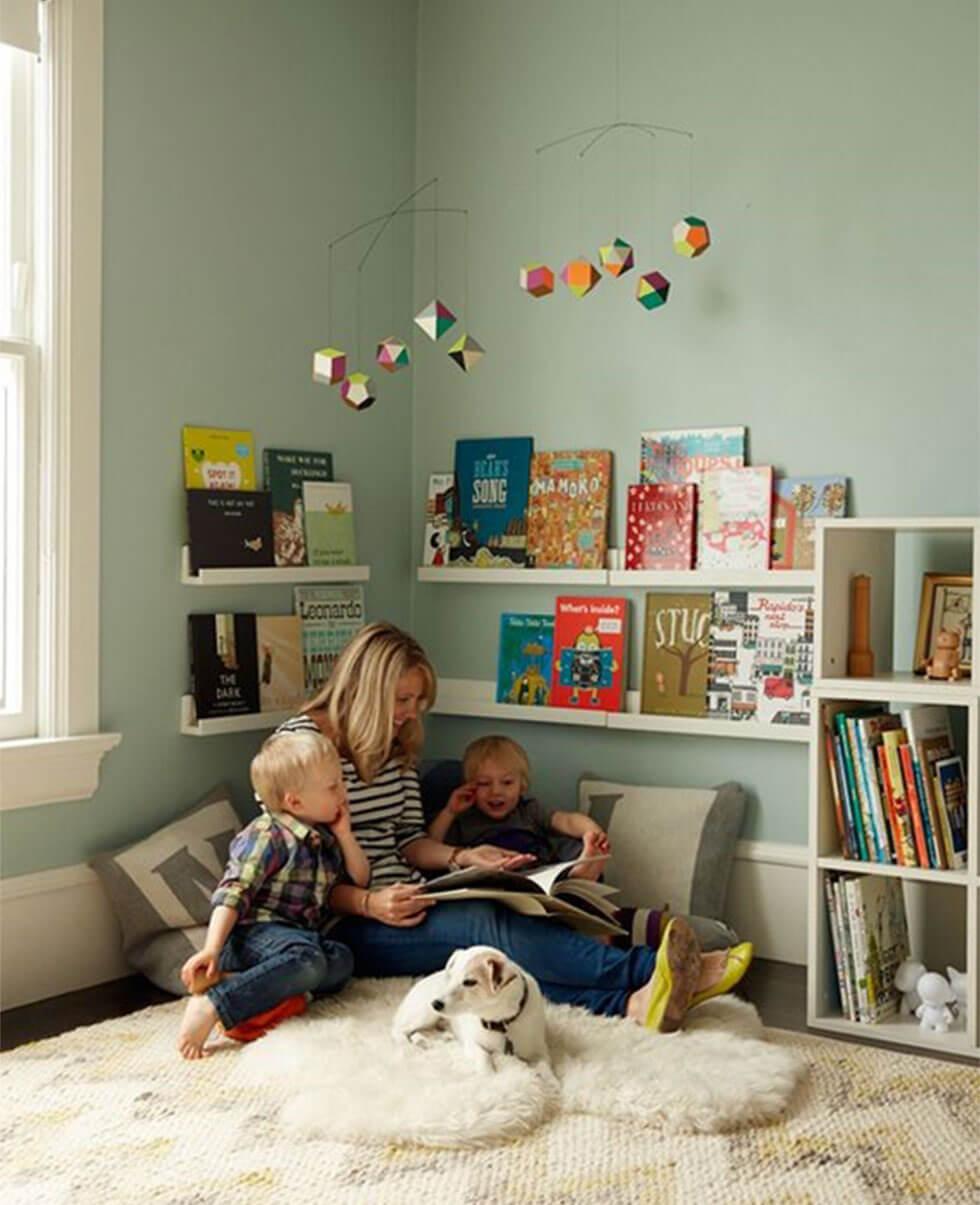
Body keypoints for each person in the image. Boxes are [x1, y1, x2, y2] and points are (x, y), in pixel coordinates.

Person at [277, 622, 753, 1032]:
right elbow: (292, 869)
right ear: (365, 688)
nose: (411, 713)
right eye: (402, 699)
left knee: (502, 929)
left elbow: (410, 843)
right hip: (352, 921)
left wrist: (464, 859)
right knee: (488, 925)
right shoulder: (303, 747)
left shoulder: (394, 744)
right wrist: (368, 902)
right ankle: (658, 969)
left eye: (419, 701)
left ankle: (631, 1004)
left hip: (412, 894)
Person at [176, 728, 368, 1059]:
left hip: (294, 939)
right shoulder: (268, 834)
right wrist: (211, 949)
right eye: (333, 785)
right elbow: (233, 893)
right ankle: (215, 1003)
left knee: (341, 960)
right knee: (308, 961)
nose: (344, 791)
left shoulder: (323, 838)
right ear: (295, 801)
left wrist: (345, 835)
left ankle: (251, 986)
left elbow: (360, 879)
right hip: (252, 935)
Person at [427, 733, 611, 881]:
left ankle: (580, 873)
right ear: (469, 786)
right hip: (492, 878)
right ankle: (577, 880)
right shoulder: (465, 819)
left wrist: (591, 833)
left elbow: (567, 820)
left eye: (507, 783)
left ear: (522, 785)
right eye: (484, 783)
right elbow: (431, 846)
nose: (496, 791)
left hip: (538, 873)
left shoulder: (529, 810)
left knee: (568, 846)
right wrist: (449, 812)